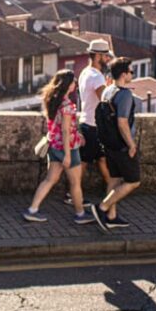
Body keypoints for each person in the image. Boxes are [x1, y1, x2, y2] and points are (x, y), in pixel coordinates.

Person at [22, 69, 93, 225]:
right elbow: (65, 130)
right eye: (73, 81)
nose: (75, 84)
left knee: (50, 179)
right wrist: (68, 154)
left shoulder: (52, 100)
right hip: (68, 148)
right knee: (75, 183)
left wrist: (77, 134)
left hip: (54, 146)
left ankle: (32, 210)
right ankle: (80, 214)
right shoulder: (67, 105)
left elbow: (61, 126)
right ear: (68, 85)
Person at [91, 57, 140, 231]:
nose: (132, 74)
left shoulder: (108, 91)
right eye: (131, 71)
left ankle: (111, 217)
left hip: (108, 143)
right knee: (133, 181)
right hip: (121, 145)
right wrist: (132, 145)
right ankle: (102, 208)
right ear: (124, 74)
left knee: (114, 180)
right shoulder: (125, 94)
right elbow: (122, 122)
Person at [73, 39, 113, 207]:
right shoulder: (97, 77)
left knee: (102, 159)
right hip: (92, 126)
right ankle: (72, 194)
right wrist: (111, 88)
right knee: (83, 162)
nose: (108, 60)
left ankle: (112, 191)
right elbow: (105, 101)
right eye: (106, 57)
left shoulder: (85, 72)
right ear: (97, 56)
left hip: (87, 122)